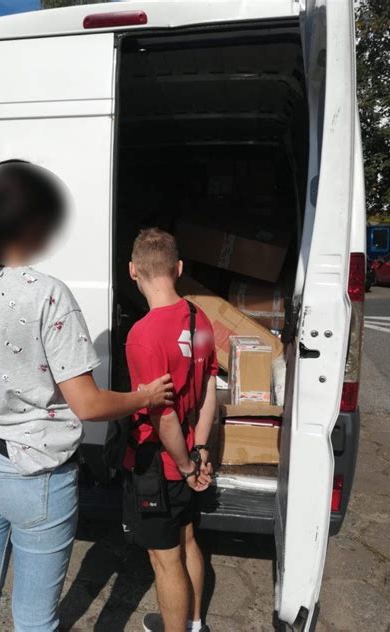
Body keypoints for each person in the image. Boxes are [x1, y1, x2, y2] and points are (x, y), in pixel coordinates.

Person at [0, 161, 173, 632]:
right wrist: (144, 398)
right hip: (32, 473)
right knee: (34, 619)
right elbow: (87, 405)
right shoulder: (47, 295)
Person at [122, 228, 217, 632]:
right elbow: (211, 388)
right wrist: (201, 452)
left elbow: (162, 417)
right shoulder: (200, 318)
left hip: (160, 464)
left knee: (165, 559)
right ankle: (194, 624)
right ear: (179, 268)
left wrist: (183, 464)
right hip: (190, 449)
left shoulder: (142, 336)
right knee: (188, 541)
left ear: (132, 271)